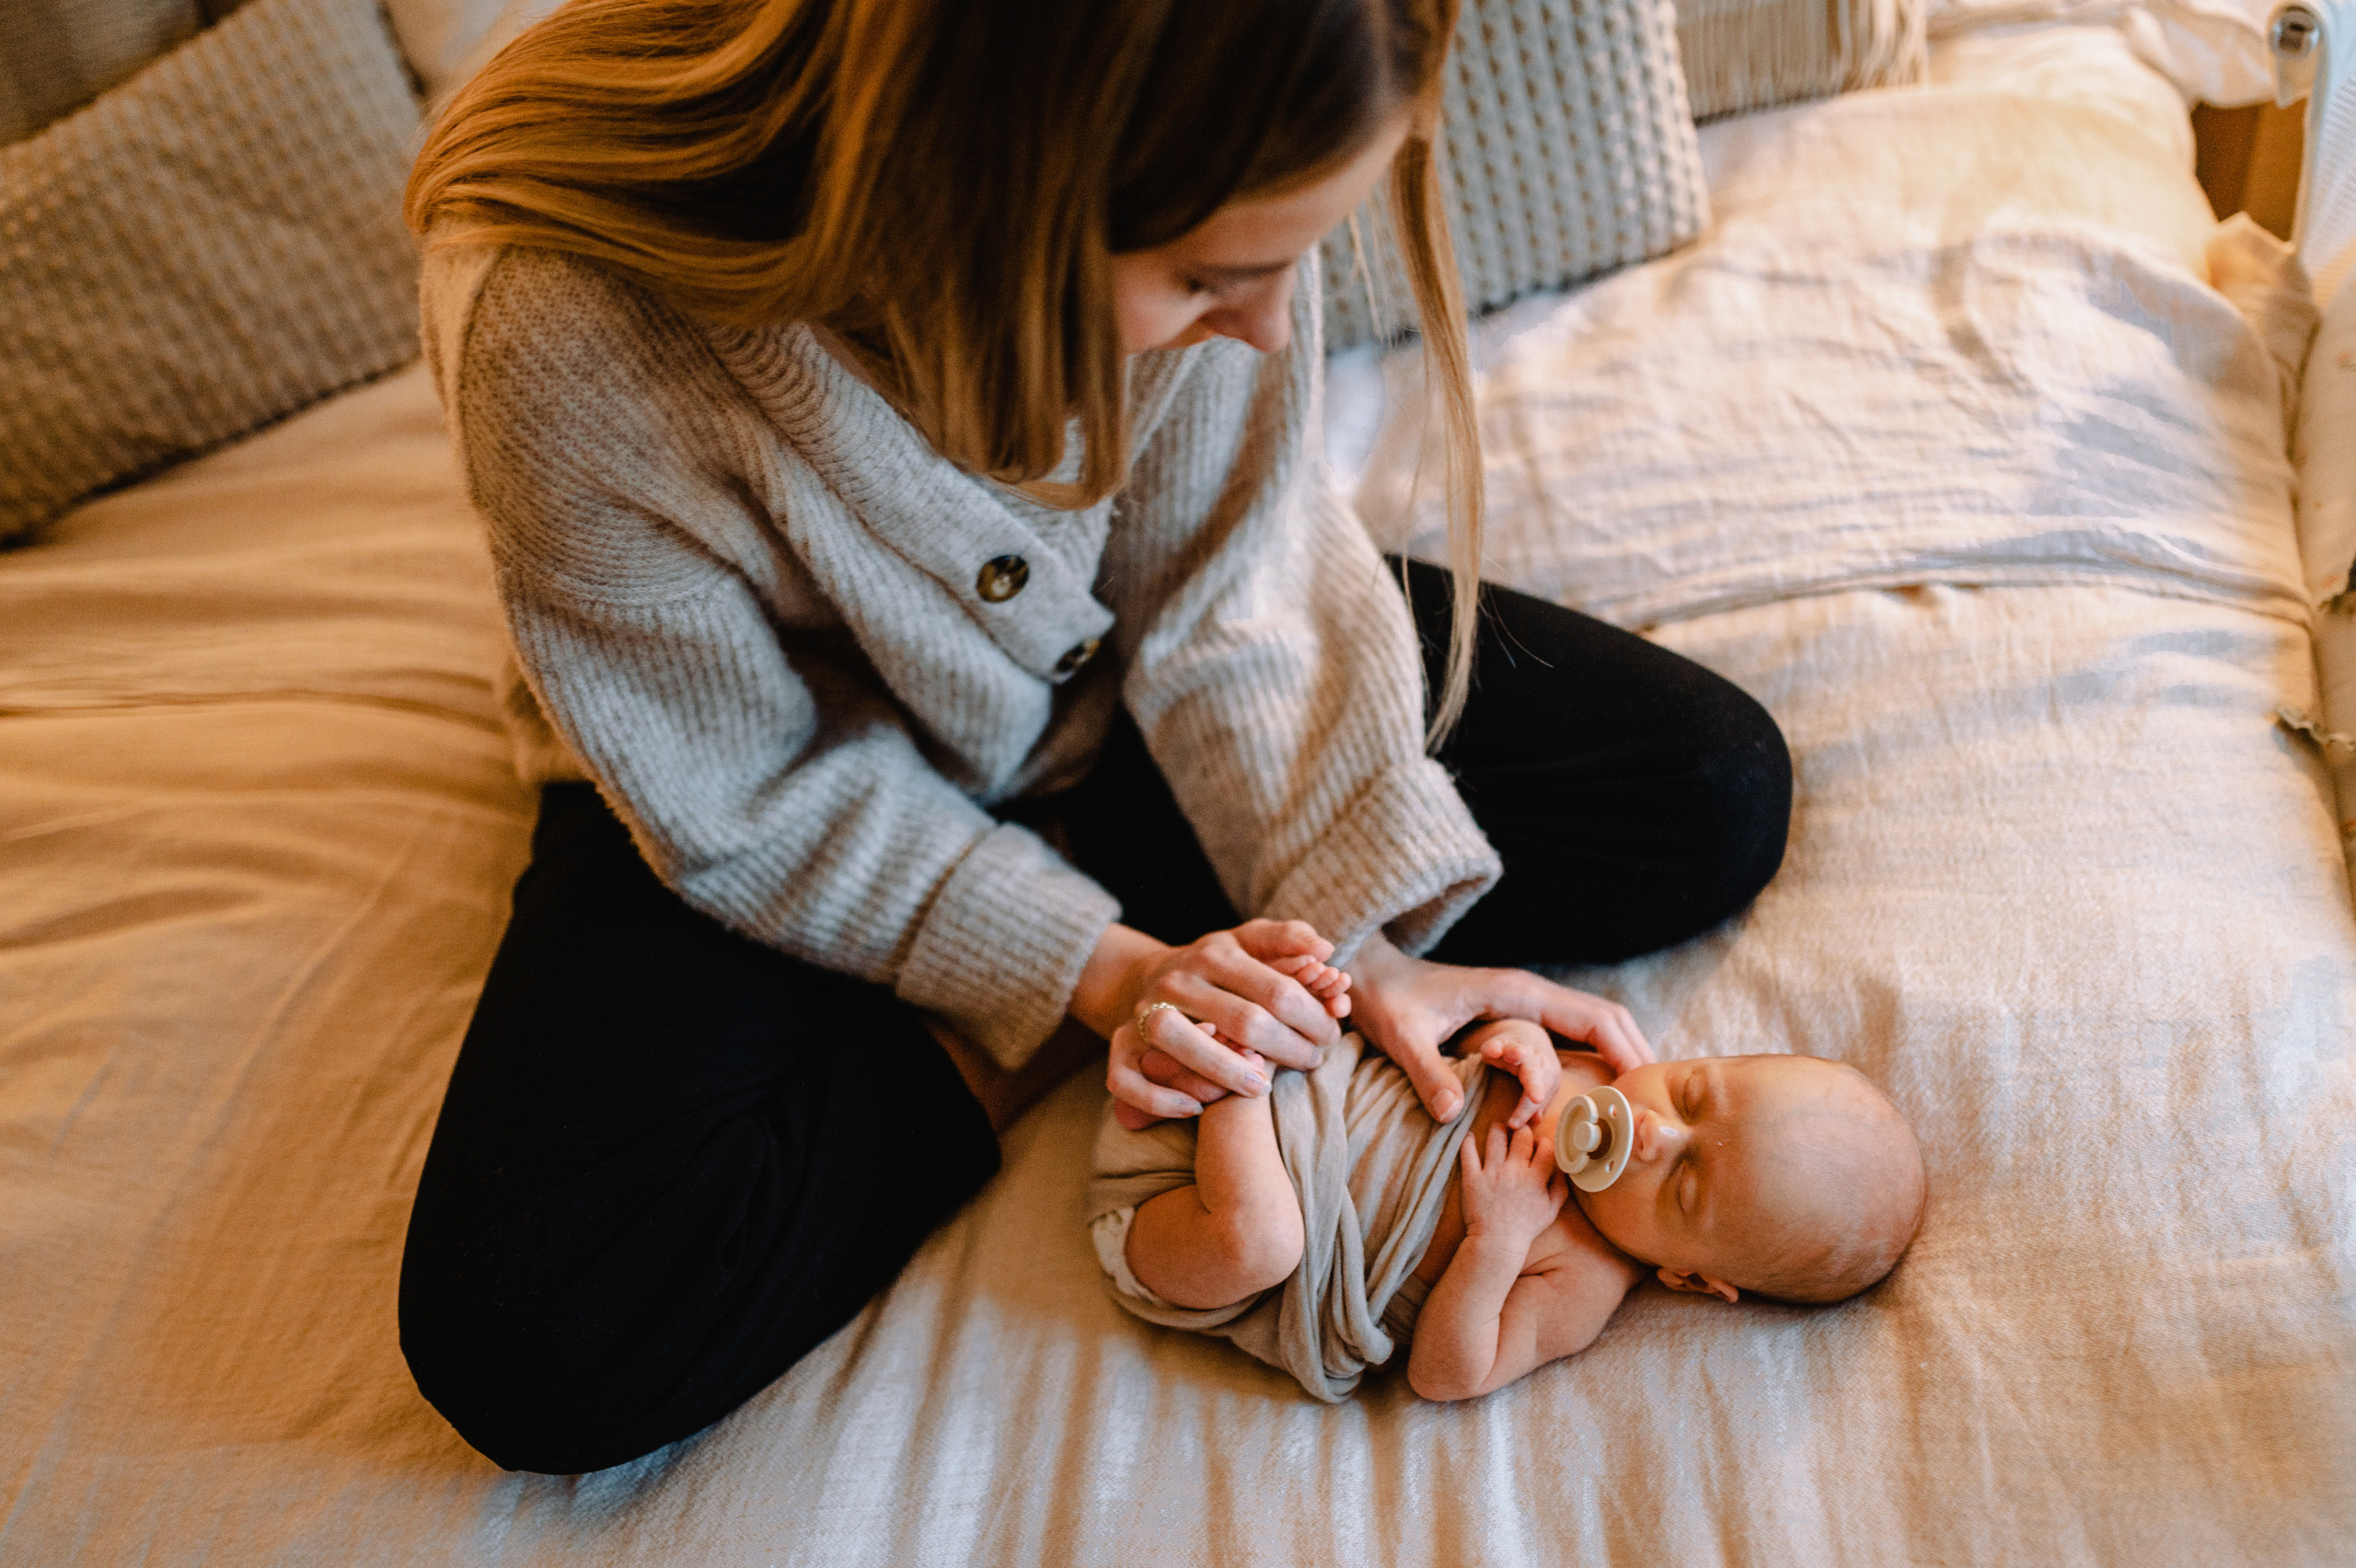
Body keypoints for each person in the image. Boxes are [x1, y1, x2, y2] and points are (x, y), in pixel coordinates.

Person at [396, 0, 1793, 1474]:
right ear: (1007, 204)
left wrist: (1354, 942)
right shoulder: (555, 307)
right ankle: (1042, 971)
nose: (1268, 327)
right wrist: (1106, 978)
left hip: (1112, 681)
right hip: (767, 760)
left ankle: (1140, 935)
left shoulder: (1249, 107)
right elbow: (743, 789)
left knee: (1701, 793)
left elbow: (1226, 570)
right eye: (1208, 278)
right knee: (542, 1337)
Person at [1088, 1012, 1925, 1401]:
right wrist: (1516, 1037)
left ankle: (1231, 1070)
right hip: (1294, 1101)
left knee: (1265, 1241)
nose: (1652, 1134)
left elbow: (1447, 1376)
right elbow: (1461, 1038)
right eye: (1694, 1091)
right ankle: (1230, 1055)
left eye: (1684, 1185)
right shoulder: (1590, 1074)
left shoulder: (1584, 1280)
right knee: (1313, 1010)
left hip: (1181, 1227)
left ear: (1691, 1276)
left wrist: (1497, 1239)